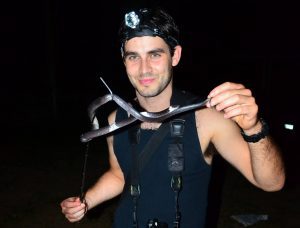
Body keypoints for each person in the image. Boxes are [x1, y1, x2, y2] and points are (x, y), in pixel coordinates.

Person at [60, 7, 285, 227]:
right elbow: (119, 175)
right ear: (123, 59)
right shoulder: (115, 119)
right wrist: (87, 200)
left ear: (174, 55)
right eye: (133, 57)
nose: (144, 69)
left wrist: (254, 128)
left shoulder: (207, 119)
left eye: (155, 55)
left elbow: (272, 183)